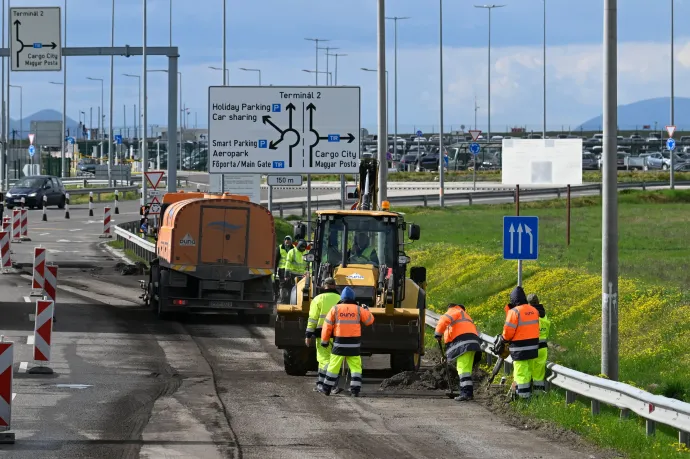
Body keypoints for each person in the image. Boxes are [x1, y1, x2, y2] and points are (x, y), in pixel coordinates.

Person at [319, 286, 375, 397]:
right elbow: (369, 321)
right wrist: (367, 310)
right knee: (355, 368)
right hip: (354, 344)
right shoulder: (359, 309)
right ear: (353, 298)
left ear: (342, 298)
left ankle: (326, 389)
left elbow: (327, 327)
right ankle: (355, 390)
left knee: (333, 367)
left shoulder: (335, 309)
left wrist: (324, 341)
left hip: (339, 343)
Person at [434, 303, 482, 401]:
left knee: (462, 370)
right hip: (473, 344)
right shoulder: (465, 315)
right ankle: (468, 393)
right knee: (466, 371)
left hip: (464, 344)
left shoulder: (453, 311)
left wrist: (438, 334)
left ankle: (466, 394)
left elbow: (443, 320)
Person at [502, 286, 540, 400]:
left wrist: (504, 340)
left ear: (513, 299)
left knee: (521, 374)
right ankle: (528, 397)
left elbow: (508, 331)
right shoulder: (534, 310)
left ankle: (523, 399)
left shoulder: (514, 312)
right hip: (533, 348)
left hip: (520, 349)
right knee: (528, 372)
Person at [305, 277, 342, 392]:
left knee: (324, 360)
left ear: (324, 286)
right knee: (333, 360)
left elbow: (312, 319)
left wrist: (308, 335)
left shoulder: (318, 299)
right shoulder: (341, 299)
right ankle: (321, 383)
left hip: (322, 334)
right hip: (338, 335)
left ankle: (328, 385)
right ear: (334, 286)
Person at [527, 293, 550, 393]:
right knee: (539, 374)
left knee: (526, 372)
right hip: (543, 348)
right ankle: (538, 395)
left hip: (532, 347)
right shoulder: (544, 315)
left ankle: (526, 395)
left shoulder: (530, 314)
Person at [275, 236, 292, 301]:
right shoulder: (280, 248)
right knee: (282, 284)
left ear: (291, 241)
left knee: (290, 284)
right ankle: (282, 298)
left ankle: (289, 299)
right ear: (284, 241)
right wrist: (275, 270)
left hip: (290, 269)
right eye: (286, 240)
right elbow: (276, 260)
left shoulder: (293, 248)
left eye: (288, 240)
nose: (287, 242)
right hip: (282, 269)